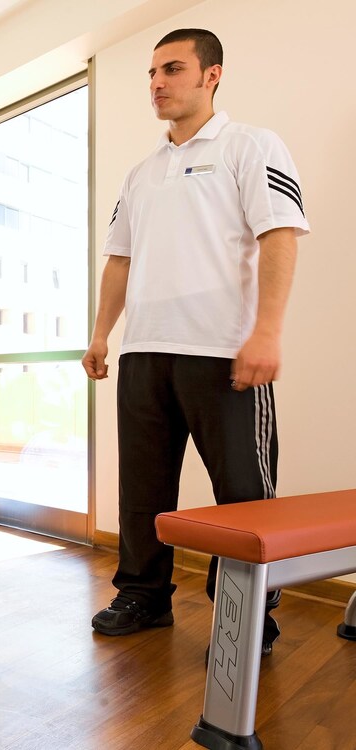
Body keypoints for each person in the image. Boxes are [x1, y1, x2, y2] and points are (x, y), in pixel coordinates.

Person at [82, 29, 309, 649]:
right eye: (152, 73)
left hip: (224, 353)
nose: (157, 82)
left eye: (173, 69)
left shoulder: (251, 145)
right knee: (143, 491)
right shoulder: (141, 172)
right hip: (145, 353)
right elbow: (120, 260)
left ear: (212, 75)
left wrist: (267, 332)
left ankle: (247, 616)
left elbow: (279, 236)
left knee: (243, 498)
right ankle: (143, 594)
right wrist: (101, 334)